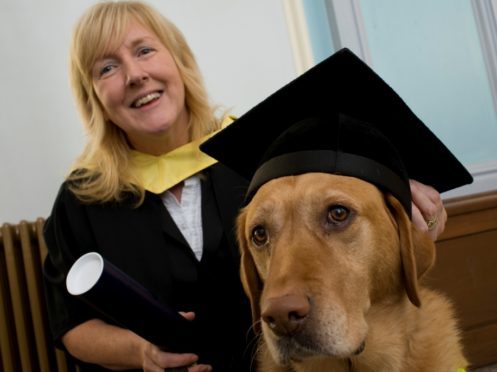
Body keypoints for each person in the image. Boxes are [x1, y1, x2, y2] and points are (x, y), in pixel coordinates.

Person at [42, 1, 447, 371]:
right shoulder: (80, 202)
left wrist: (395, 185)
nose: (134, 75)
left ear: (180, 61)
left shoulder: (261, 163)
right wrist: (140, 352)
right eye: (106, 68)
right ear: (92, 95)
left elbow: (347, 201)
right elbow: (70, 325)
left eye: (144, 50)